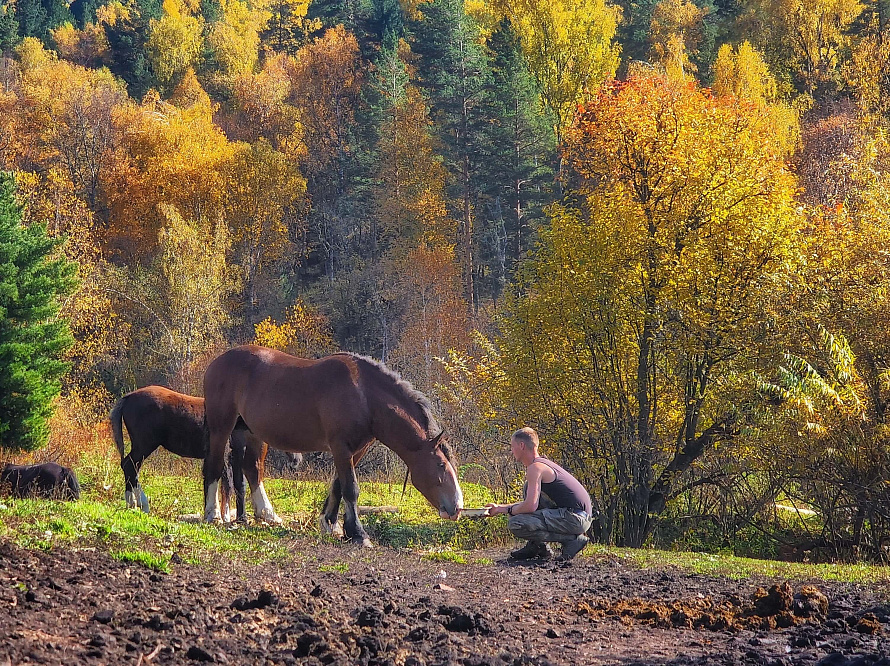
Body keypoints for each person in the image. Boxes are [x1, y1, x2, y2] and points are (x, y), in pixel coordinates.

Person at [485, 427, 593, 561]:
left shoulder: (535, 468)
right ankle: (538, 547)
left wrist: (508, 510)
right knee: (527, 488)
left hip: (575, 519)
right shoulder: (542, 464)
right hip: (578, 516)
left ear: (522, 445)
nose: (511, 451)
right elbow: (531, 504)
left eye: (512, 447)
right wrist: (499, 507)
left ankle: (571, 540)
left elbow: (530, 507)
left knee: (516, 523)